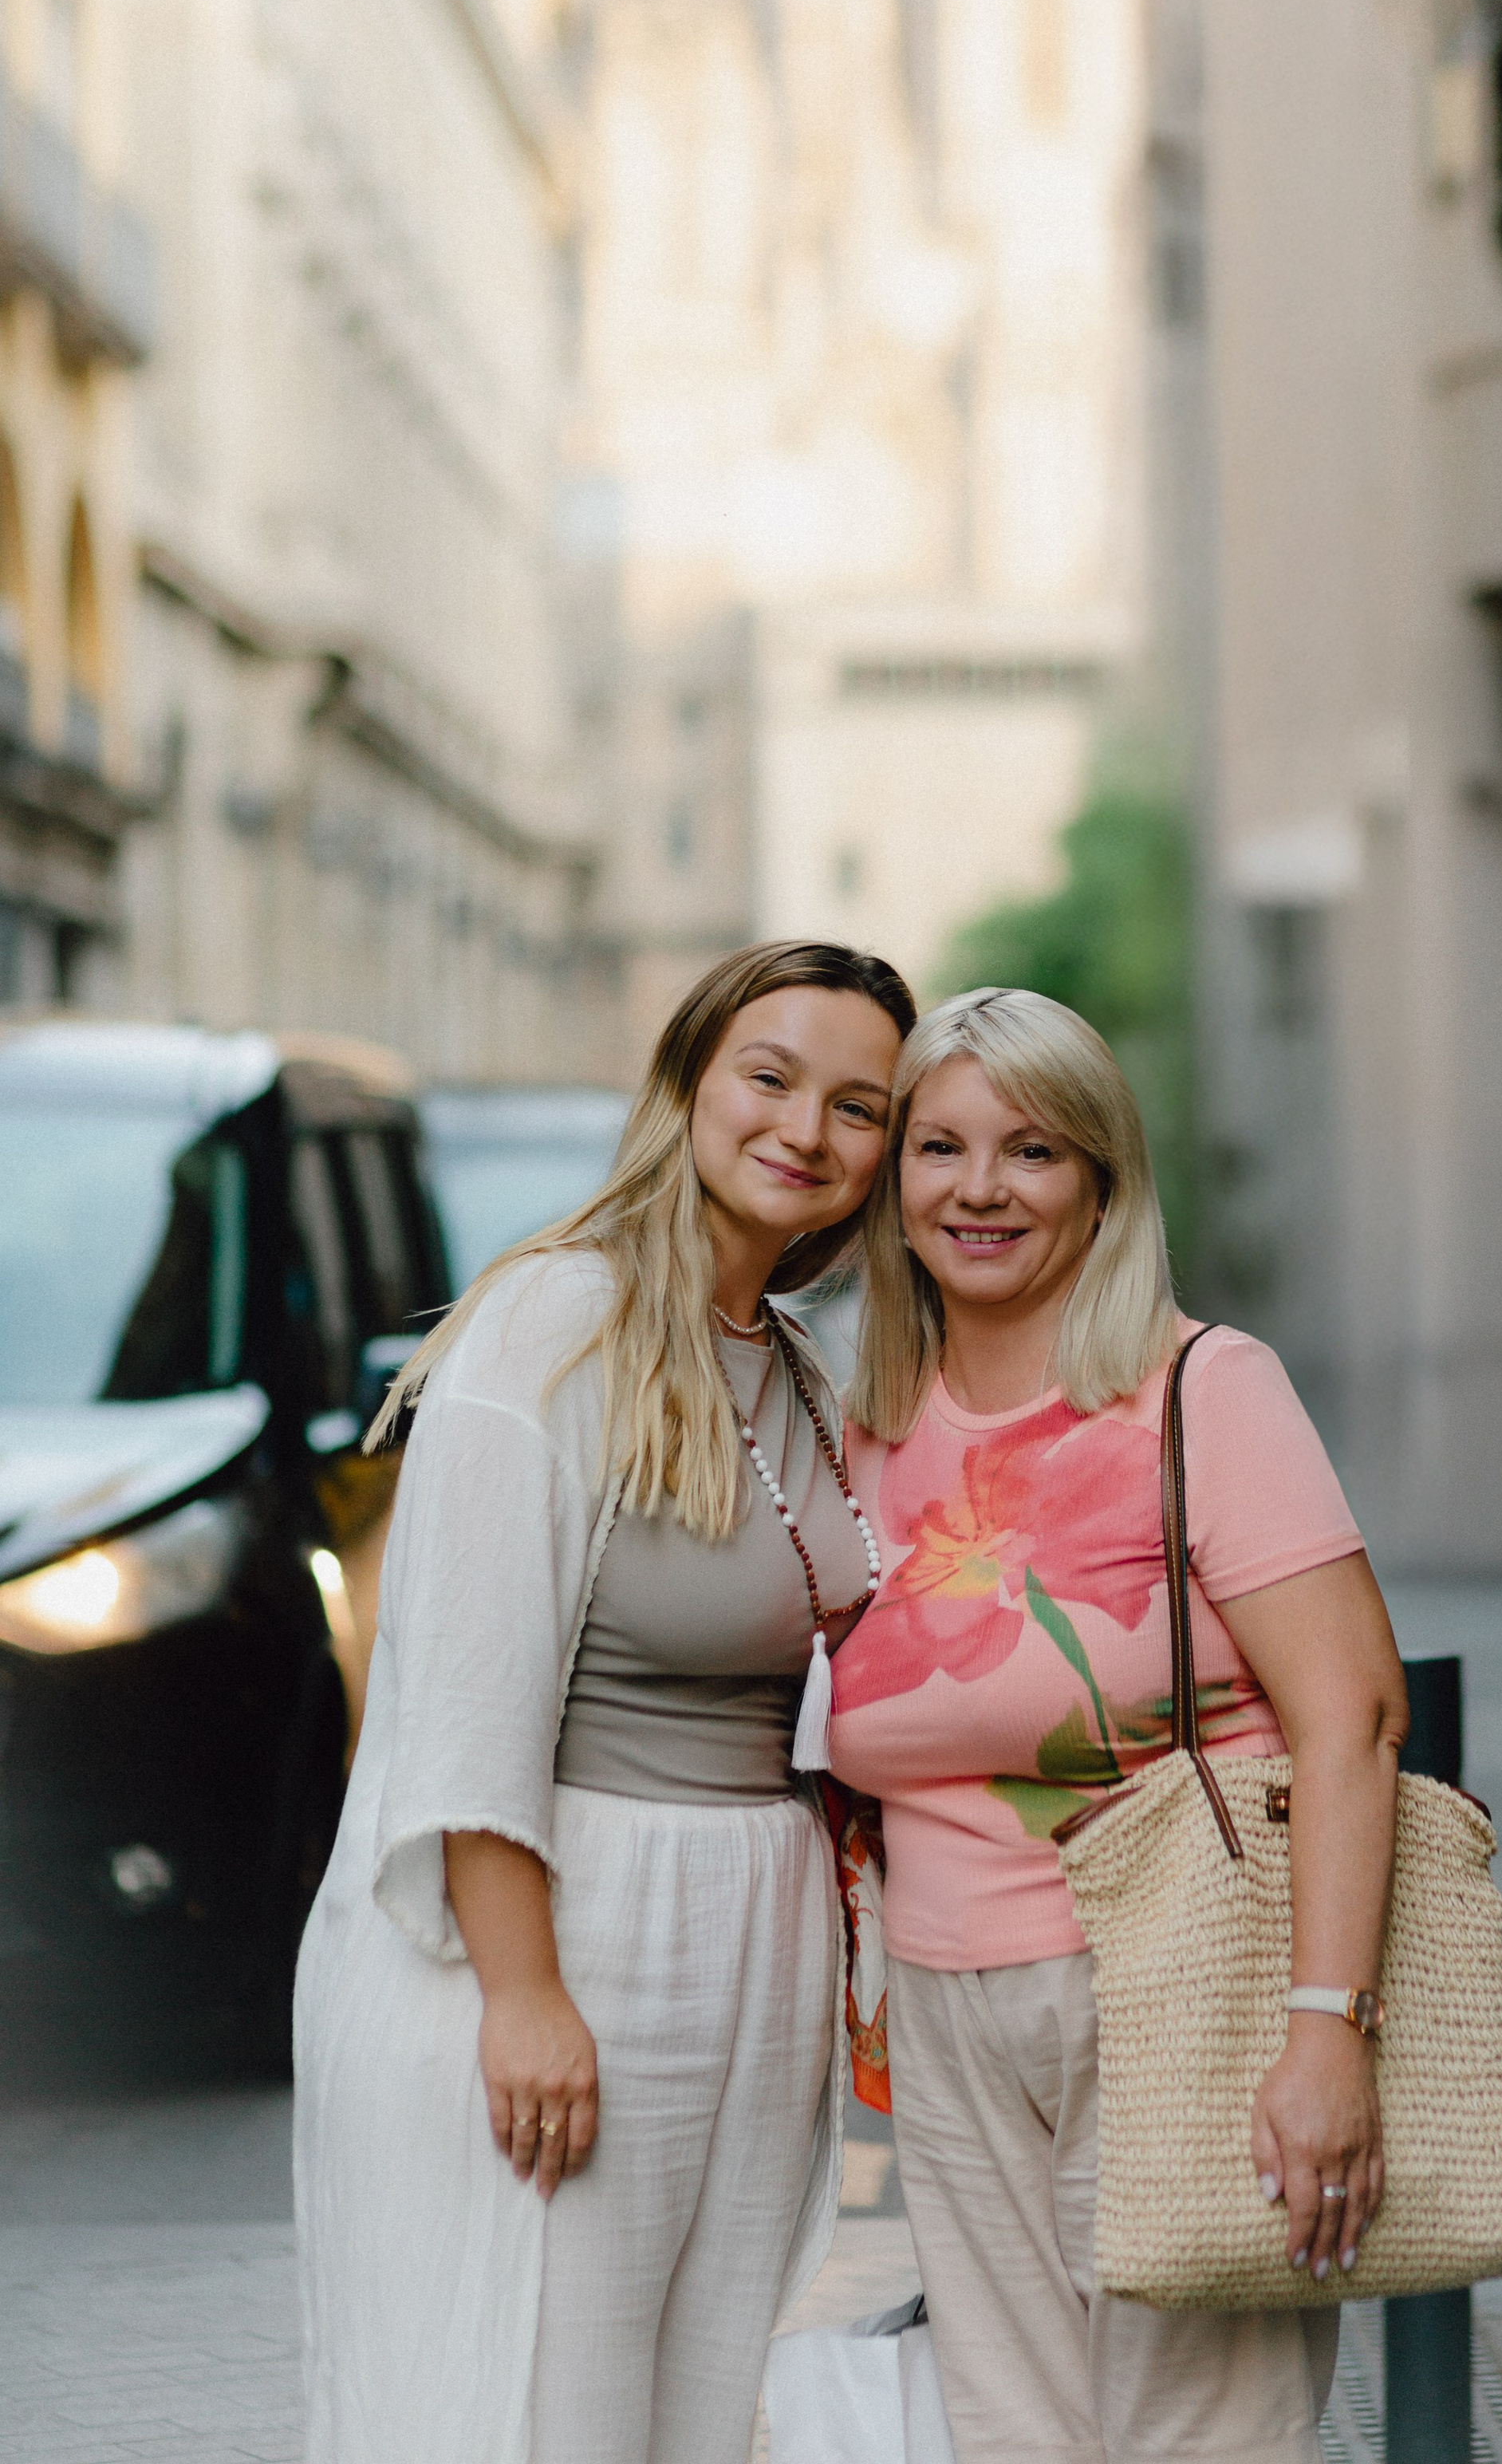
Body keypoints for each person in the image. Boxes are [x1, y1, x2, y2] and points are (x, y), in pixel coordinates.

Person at [294, 940, 916, 2464]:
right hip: (574, 1928)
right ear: (688, 1083)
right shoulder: (551, 1324)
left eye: (859, 1107)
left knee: (698, 2415)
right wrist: (523, 1997)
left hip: (754, 1942)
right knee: (536, 2407)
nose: (807, 1130)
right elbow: (461, 1694)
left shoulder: (798, 1366)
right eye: (771, 1078)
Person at [829, 987, 1408, 2464]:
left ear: (1101, 1183)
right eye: (939, 1148)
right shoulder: (866, 1422)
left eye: (1030, 1151)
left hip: (1176, 1988)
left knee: (1202, 2435)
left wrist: (1327, 2035)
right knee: (1012, 2431)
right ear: (894, 1185)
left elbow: (1352, 1718)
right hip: (950, 2011)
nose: (978, 1189)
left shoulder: (1206, 1390)